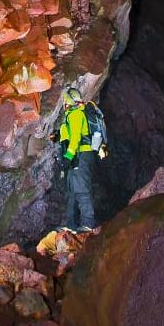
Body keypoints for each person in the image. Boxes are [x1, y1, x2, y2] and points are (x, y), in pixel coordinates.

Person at [55, 87, 99, 231]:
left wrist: (68, 157)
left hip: (80, 155)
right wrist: (58, 136)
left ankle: (88, 223)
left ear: (67, 102)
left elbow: (75, 139)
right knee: (71, 191)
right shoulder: (72, 116)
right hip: (76, 156)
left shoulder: (76, 115)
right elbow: (69, 135)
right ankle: (70, 224)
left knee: (81, 189)